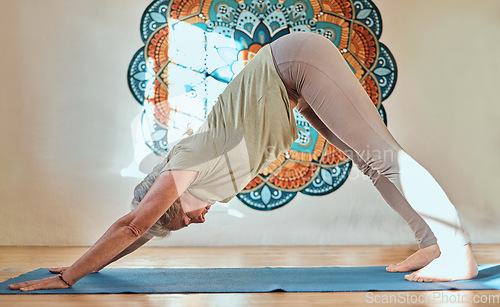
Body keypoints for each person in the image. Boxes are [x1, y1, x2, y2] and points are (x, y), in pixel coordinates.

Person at [9, 32, 478, 292]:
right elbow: (141, 233)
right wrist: (84, 266)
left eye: (183, 221)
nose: (197, 221)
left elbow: (133, 224)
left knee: (383, 154)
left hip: (295, 63)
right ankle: (432, 240)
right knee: (372, 160)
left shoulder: (187, 164)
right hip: (291, 82)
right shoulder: (195, 186)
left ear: (171, 203)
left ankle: (457, 253)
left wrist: (70, 277)